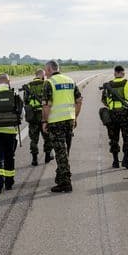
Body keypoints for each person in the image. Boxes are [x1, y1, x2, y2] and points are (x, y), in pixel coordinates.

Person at [41, 60, 82, 193]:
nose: (45, 73)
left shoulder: (49, 83)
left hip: (56, 122)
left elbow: (46, 105)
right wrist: (75, 117)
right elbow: (79, 101)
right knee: (64, 152)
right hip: (69, 121)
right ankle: (60, 178)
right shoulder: (70, 80)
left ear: (49, 69)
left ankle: (65, 183)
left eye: (45, 70)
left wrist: (45, 121)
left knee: (60, 153)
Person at [101, 65, 128, 169]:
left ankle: (115, 161)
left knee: (113, 139)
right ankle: (126, 160)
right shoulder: (127, 84)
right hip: (125, 115)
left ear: (114, 73)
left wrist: (112, 105)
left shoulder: (108, 85)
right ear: (122, 73)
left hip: (112, 115)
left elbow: (104, 100)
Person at [21, 68, 51, 166]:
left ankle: (34, 159)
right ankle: (47, 156)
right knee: (47, 137)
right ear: (42, 75)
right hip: (44, 115)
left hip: (32, 116)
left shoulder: (28, 86)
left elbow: (25, 101)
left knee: (34, 139)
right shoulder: (46, 84)